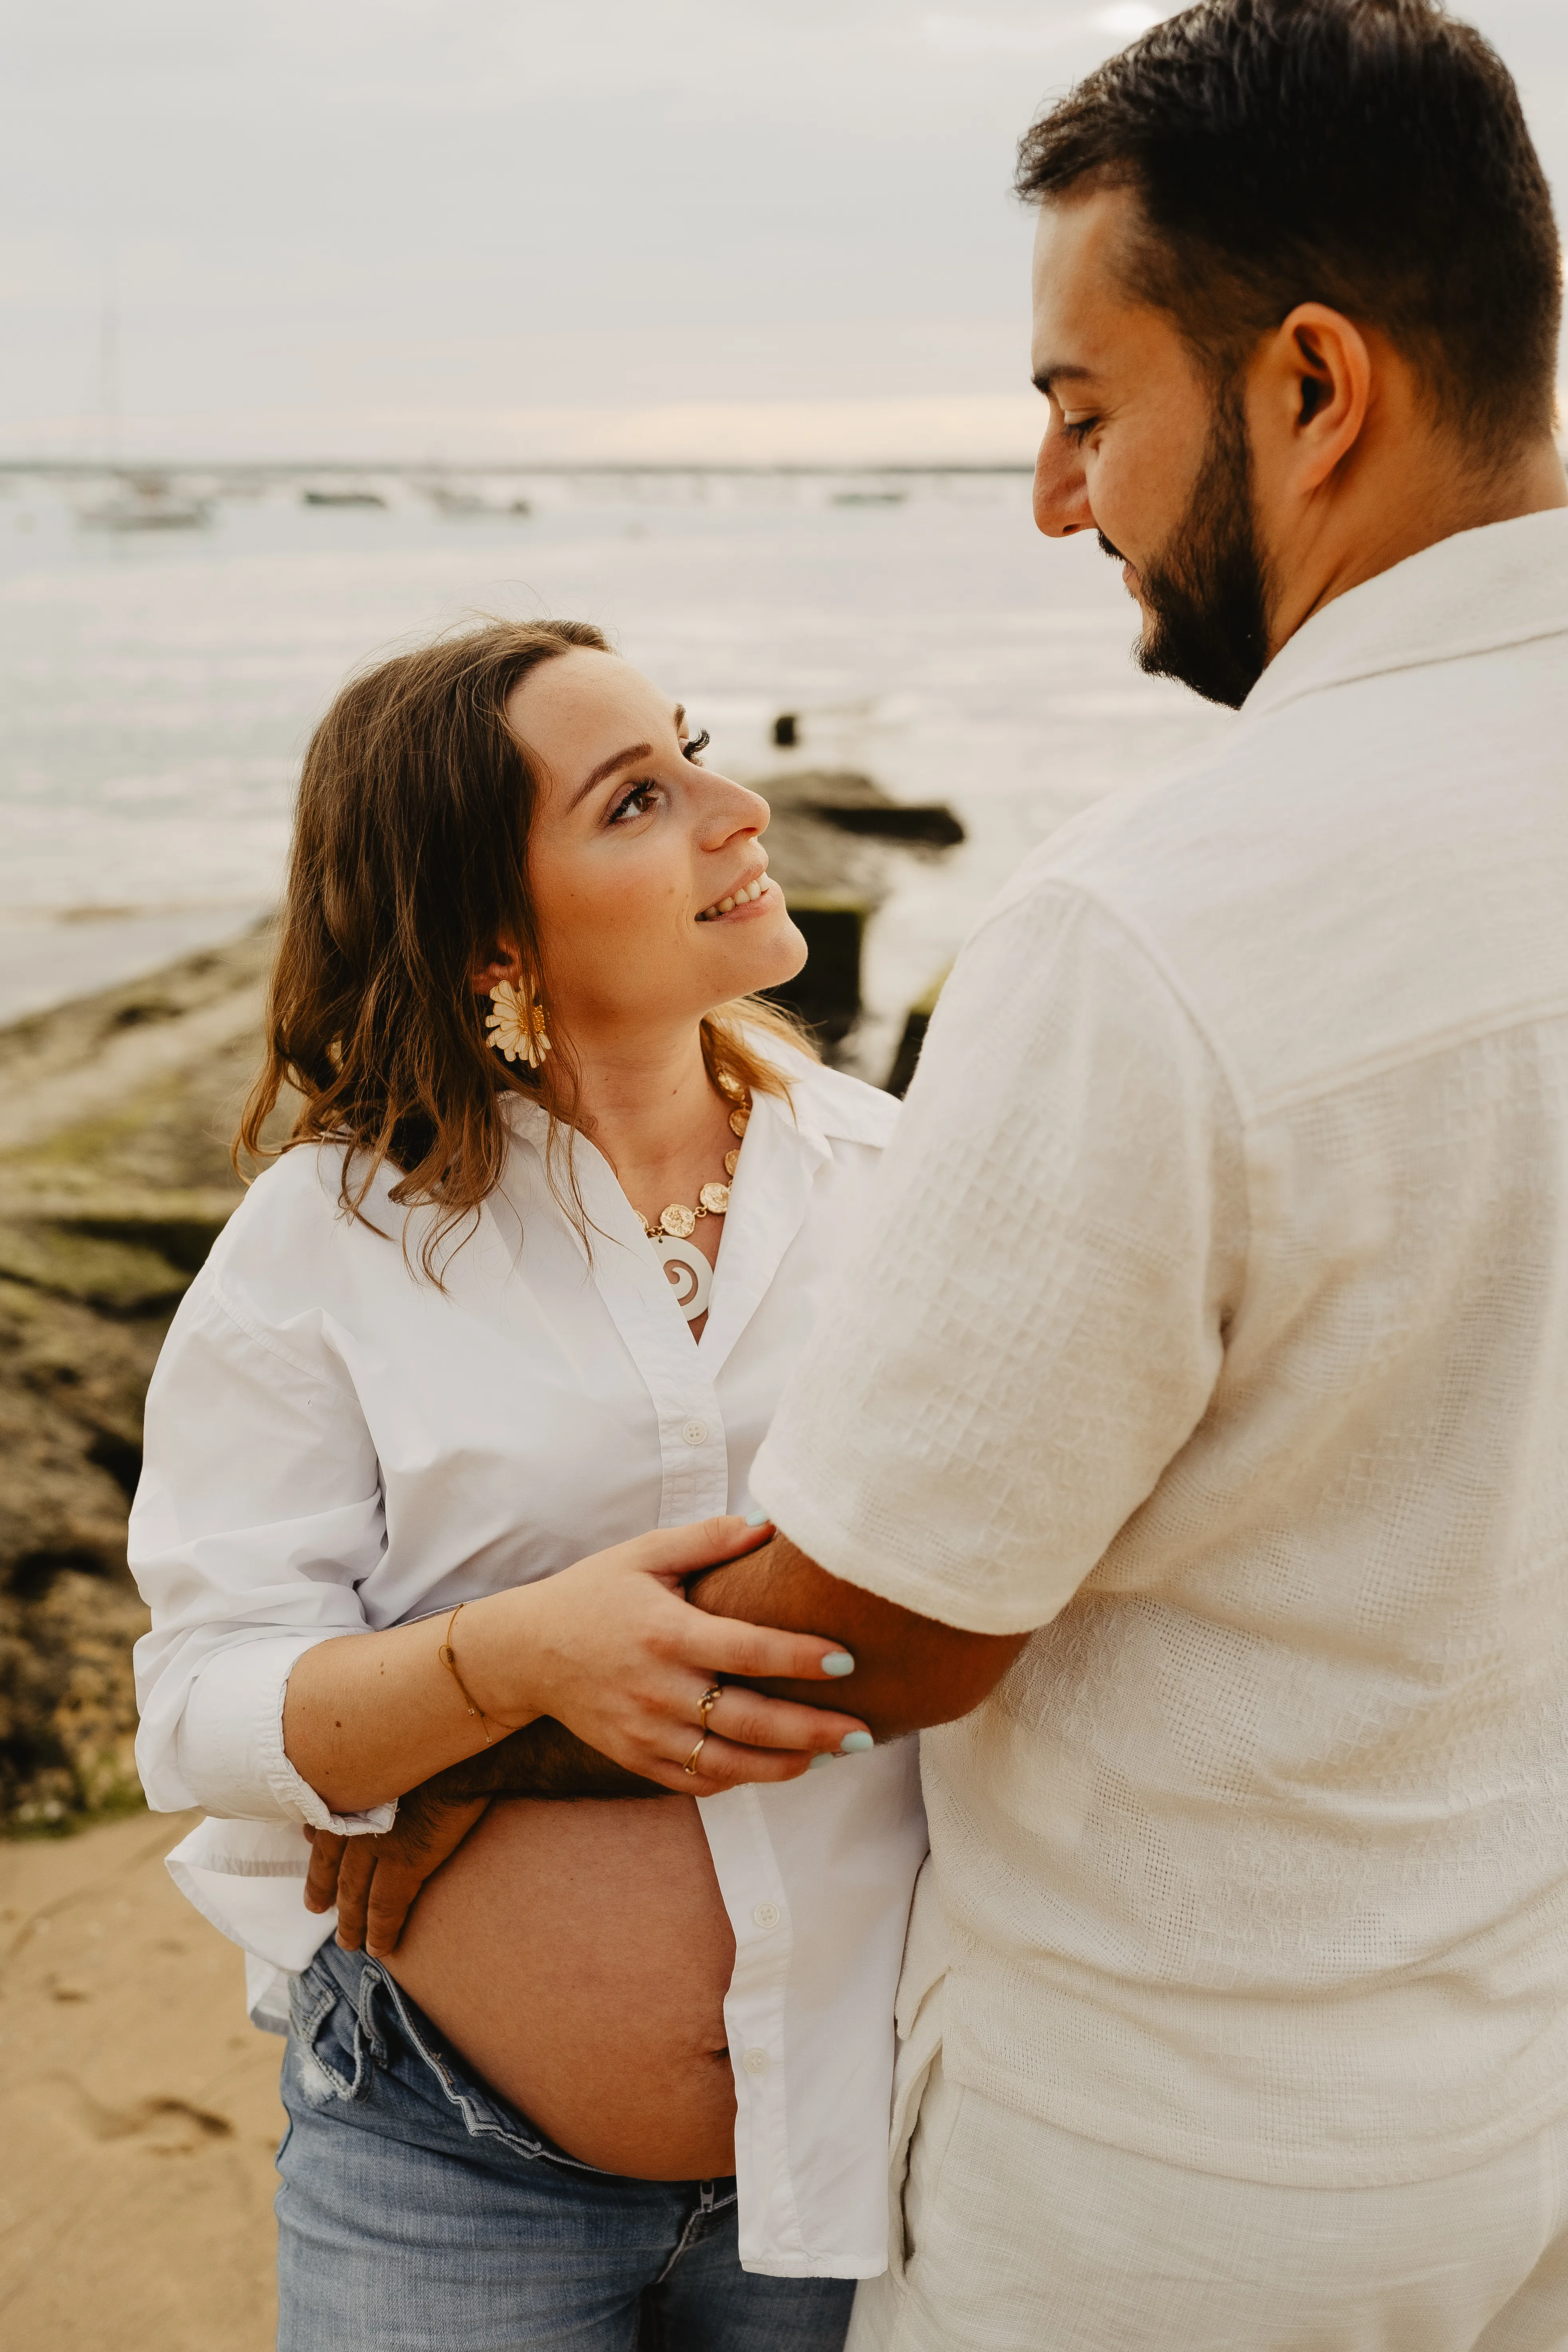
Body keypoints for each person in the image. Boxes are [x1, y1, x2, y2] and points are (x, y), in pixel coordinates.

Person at [634, 2, 1568, 2345]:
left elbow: (887, 1618)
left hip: (1178, 2173)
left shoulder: (1160, 924)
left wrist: (407, 1704)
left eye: (1079, 410)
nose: (1060, 501)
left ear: (1309, 384)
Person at [128, 618, 929, 2350]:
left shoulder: (904, 1188)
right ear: (491, 931)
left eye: (698, 748)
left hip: (849, 2152)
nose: (742, 807)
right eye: (640, 798)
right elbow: (196, 1707)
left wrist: (486, 1739)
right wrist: (496, 1663)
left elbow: (978, 1603)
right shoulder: (331, 1247)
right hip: (443, 2165)